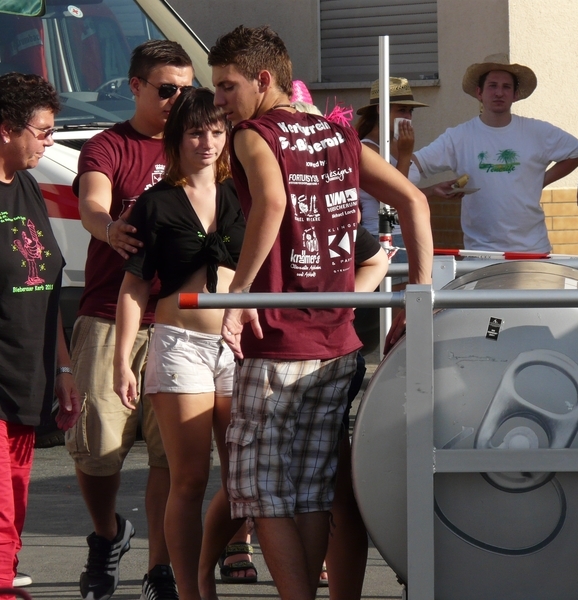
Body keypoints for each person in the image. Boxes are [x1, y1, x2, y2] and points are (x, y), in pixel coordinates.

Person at [206, 24, 433, 600]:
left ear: (263, 79)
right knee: (311, 492)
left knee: (261, 495)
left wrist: (239, 297)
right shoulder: (340, 134)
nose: (220, 101)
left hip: (280, 343)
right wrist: (420, 292)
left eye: (228, 86)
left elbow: (273, 203)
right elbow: (414, 200)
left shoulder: (253, 134)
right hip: (337, 343)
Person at [66, 40, 193, 600]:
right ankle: (107, 535)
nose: (178, 100)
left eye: (187, 90)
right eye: (167, 89)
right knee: (97, 448)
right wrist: (109, 227)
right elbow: (92, 202)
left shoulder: (201, 142)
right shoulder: (109, 144)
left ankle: (160, 569)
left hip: (180, 319)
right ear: (136, 86)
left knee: (171, 456)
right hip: (106, 314)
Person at [113, 88, 247, 600]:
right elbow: (133, 286)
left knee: (241, 479)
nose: (207, 142)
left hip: (237, 347)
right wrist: (123, 360)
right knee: (188, 478)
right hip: (179, 345)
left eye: (216, 131)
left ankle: (210, 566)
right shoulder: (155, 202)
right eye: (195, 132)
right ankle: (191, 590)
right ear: (175, 139)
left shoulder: (243, 192)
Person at [0, 72, 80, 593]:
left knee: (15, 504)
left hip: (29, 376)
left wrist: (64, 366)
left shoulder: (27, 185)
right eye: (44, 131)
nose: (50, 142)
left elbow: (47, 284)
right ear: (6, 128)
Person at [413, 54, 578, 254]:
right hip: (481, 253)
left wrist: (540, 180)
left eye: (506, 87)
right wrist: (426, 189)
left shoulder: (537, 131)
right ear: (479, 93)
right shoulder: (458, 137)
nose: (499, 93)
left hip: (532, 251)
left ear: (515, 95)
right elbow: (415, 164)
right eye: (492, 86)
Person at [355, 76, 428, 258]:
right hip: (383, 234)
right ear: (381, 110)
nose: (408, 117)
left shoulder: (398, 143)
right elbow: (393, 198)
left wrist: (435, 190)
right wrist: (405, 155)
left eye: (410, 111)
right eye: (401, 110)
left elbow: (410, 194)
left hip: (408, 232)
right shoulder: (367, 148)